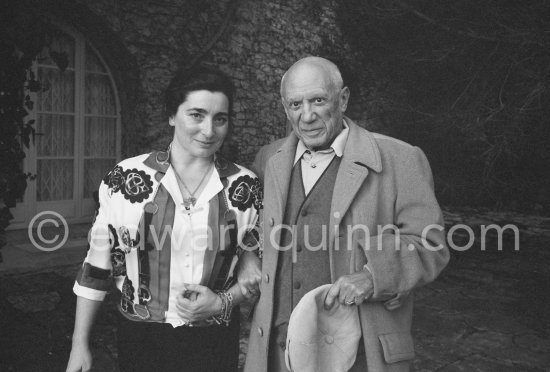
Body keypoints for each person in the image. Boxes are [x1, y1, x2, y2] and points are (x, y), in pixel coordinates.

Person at [244, 56, 450, 372]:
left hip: (359, 353)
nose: (307, 115)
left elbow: (430, 245)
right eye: (295, 104)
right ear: (285, 108)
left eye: (318, 100)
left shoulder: (400, 158)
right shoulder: (268, 158)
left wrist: (373, 275)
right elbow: (250, 232)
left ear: (343, 99)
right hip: (276, 351)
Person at [66, 66, 262, 372]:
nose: (209, 131)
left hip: (215, 342)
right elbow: (96, 267)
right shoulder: (126, 179)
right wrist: (80, 343)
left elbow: (257, 272)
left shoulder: (245, 187)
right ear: (172, 115)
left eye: (219, 119)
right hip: (140, 339)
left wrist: (222, 301)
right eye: (196, 115)